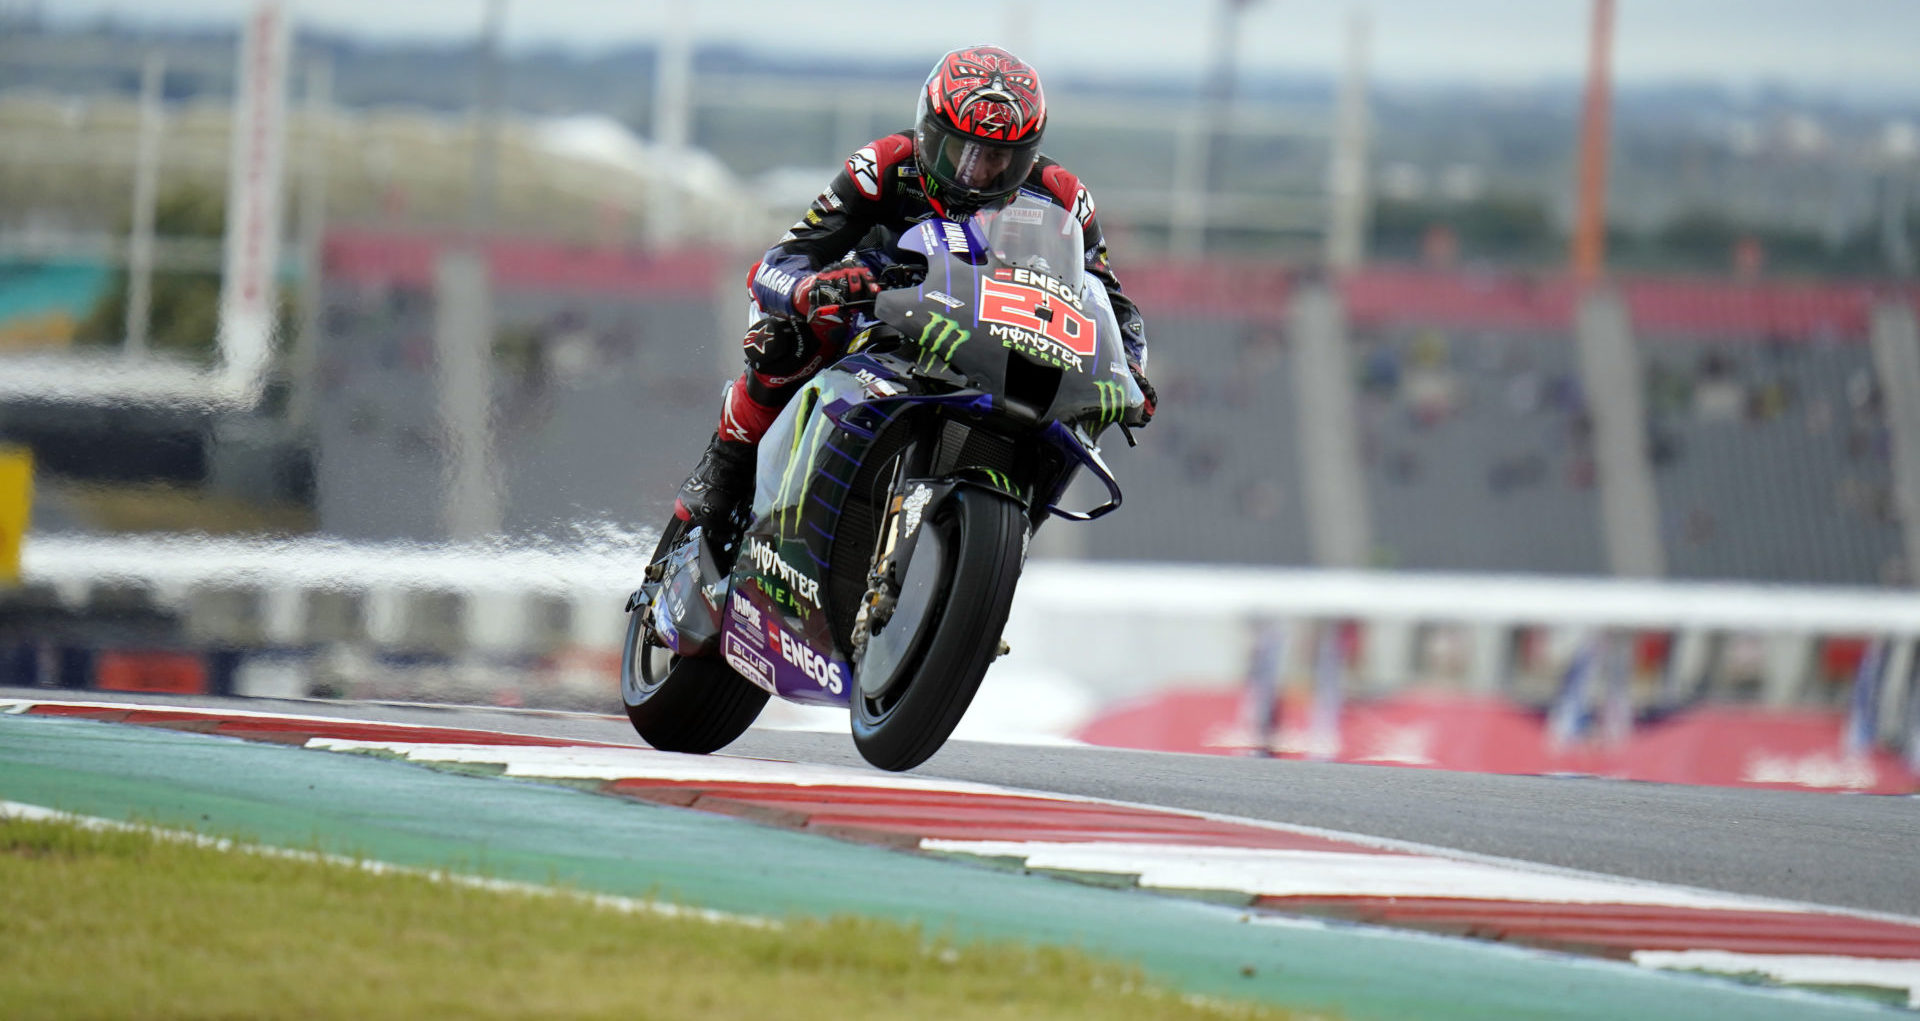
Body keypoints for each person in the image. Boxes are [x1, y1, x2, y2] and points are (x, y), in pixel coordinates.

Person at [673, 44, 1156, 527]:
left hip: (992, 337)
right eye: (959, 150)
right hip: (878, 312)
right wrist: (812, 290)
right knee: (788, 338)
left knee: (1073, 409)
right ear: (928, 131)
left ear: (1026, 157)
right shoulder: (883, 164)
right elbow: (781, 261)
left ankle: (1004, 521)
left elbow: (1107, 300)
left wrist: (1132, 370)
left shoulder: (1064, 195)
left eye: (996, 158)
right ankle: (726, 463)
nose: (975, 172)